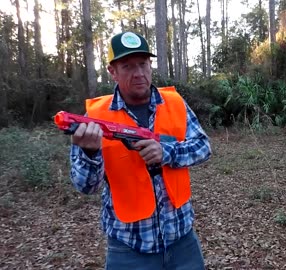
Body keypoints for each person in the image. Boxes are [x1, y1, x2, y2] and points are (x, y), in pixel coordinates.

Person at [69, 31, 211, 270]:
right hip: (129, 249)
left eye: (143, 64)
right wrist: (91, 154)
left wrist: (167, 153)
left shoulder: (175, 103)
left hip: (183, 243)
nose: (138, 74)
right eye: (127, 66)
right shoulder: (94, 119)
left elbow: (204, 147)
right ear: (112, 72)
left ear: (150, 65)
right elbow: (86, 186)